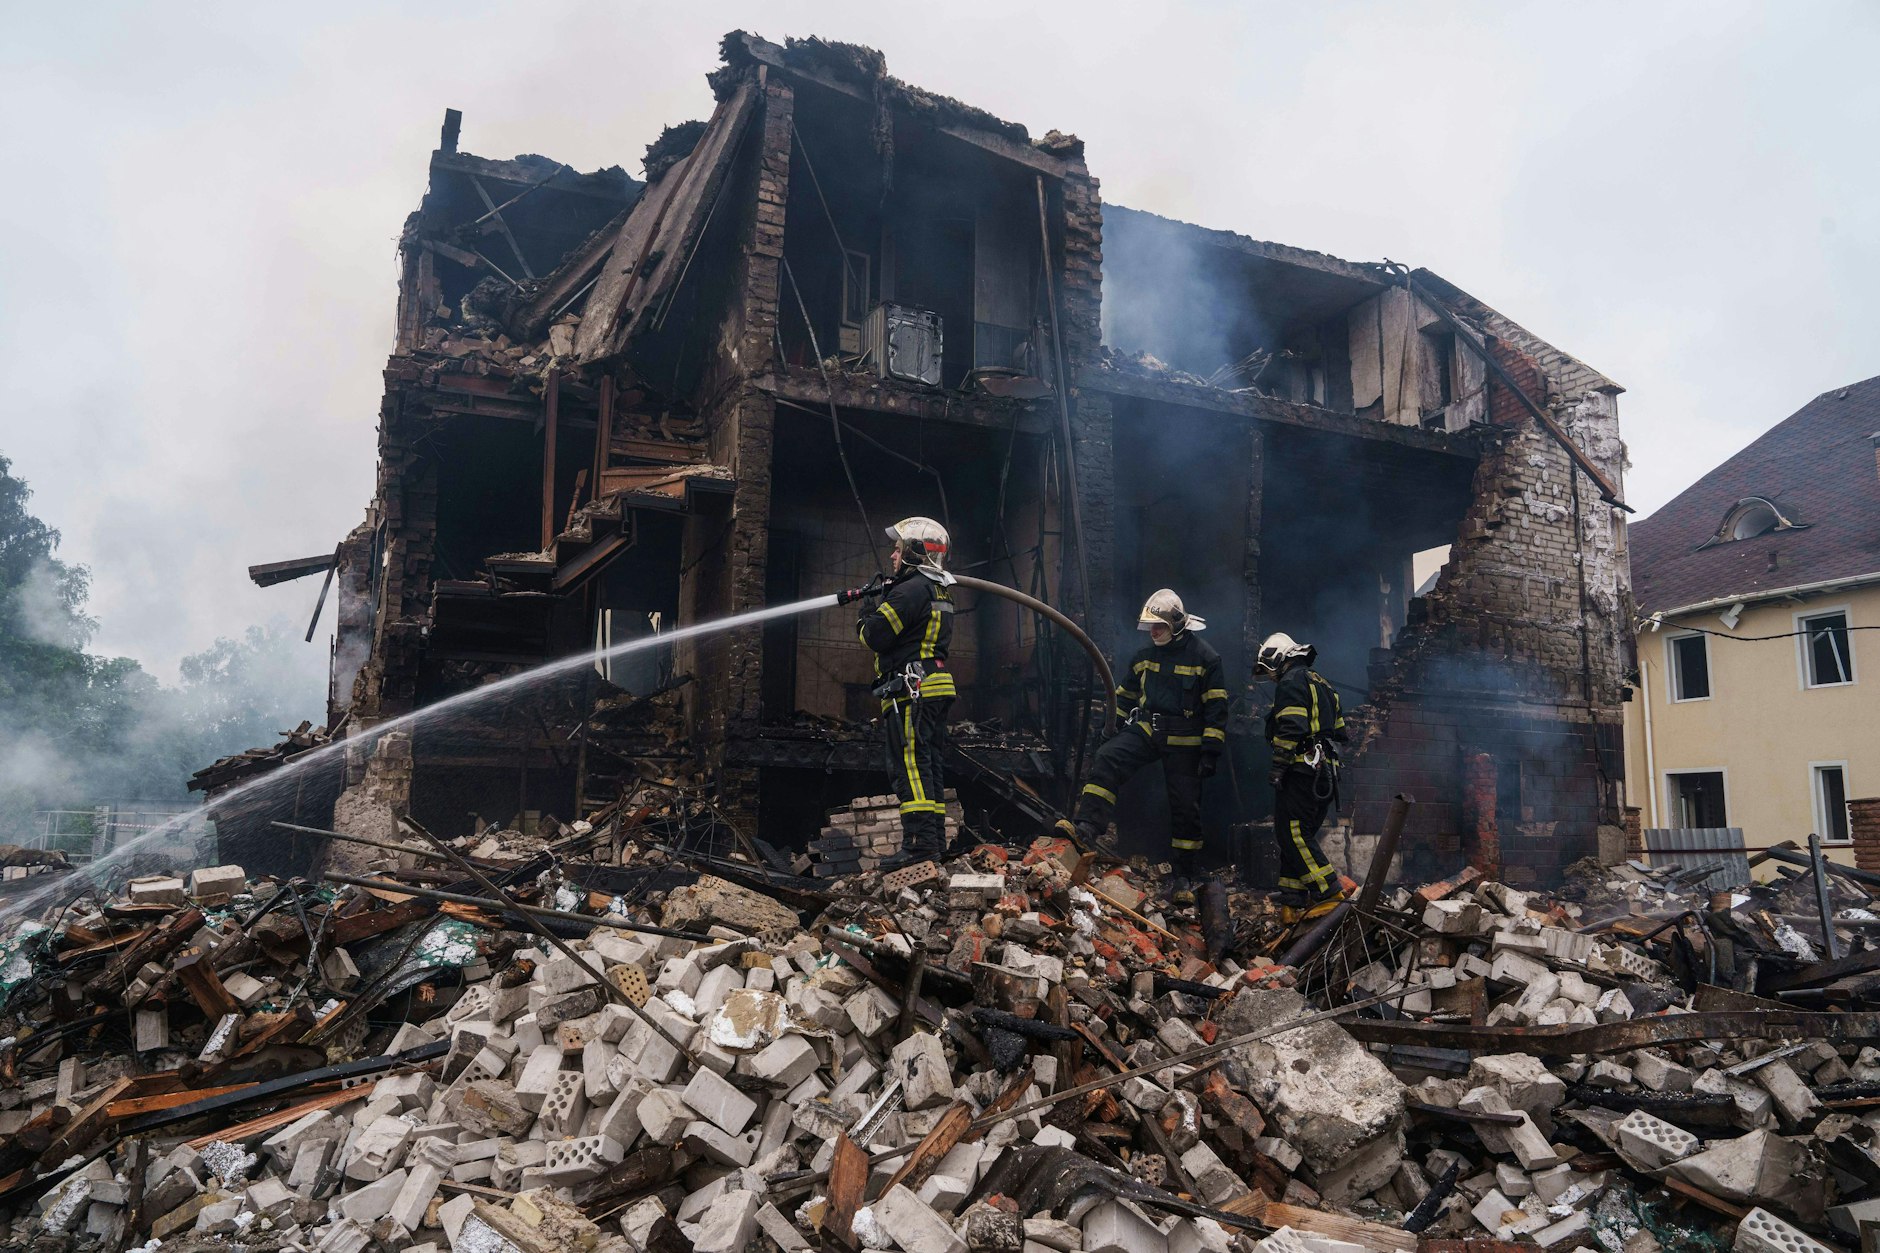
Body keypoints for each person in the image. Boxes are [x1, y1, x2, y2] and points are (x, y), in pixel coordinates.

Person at [1062, 590, 1228, 903]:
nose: (1153, 631)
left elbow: (1216, 709)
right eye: (1150, 626)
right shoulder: (1144, 658)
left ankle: (1184, 875)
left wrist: (1210, 750)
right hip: (1148, 730)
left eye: (1159, 626)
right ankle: (1086, 829)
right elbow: (1124, 698)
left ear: (1175, 625)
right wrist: (1110, 729)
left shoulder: (1205, 658)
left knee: (1185, 806)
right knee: (1108, 757)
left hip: (1186, 739)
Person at [856, 517, 957, 860]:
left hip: (912, 690)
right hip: (934, 685)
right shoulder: (938, 588)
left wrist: (867, 613)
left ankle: (919, 845)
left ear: (915, 552)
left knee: (909, 765)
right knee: (929, 765)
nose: (892, 556)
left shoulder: (910, 591)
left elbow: (875, 636)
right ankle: (935, 843)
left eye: (898, 549)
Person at [1254, 632, 1347, 912]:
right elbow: (1340, 730)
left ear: (1279, 660)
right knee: (1297, 834)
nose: (1271, 678)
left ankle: (1329, 892)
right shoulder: (1323, 683)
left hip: (1303, 769)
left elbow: (1292, 725)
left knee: (1292, 834)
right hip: (1325, 770)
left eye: (1270, 670)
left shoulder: (1291, 681)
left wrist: (1279, 765)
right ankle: (1292, 901)